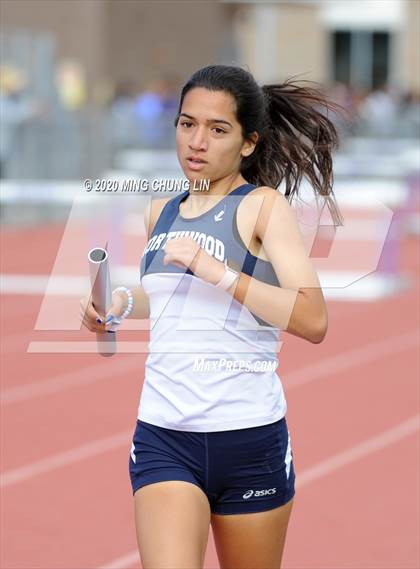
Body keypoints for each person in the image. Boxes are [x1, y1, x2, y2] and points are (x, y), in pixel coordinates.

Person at [80, 64, 343, 568]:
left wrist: (216, 270)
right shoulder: (162, 211)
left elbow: (313, 319)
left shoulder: (262, 207)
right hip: (164, 434)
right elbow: (174, 296)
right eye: (187, 124)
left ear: (248, 143)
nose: (197, 142)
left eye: (217, 129)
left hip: (249, 438)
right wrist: (120, 304)